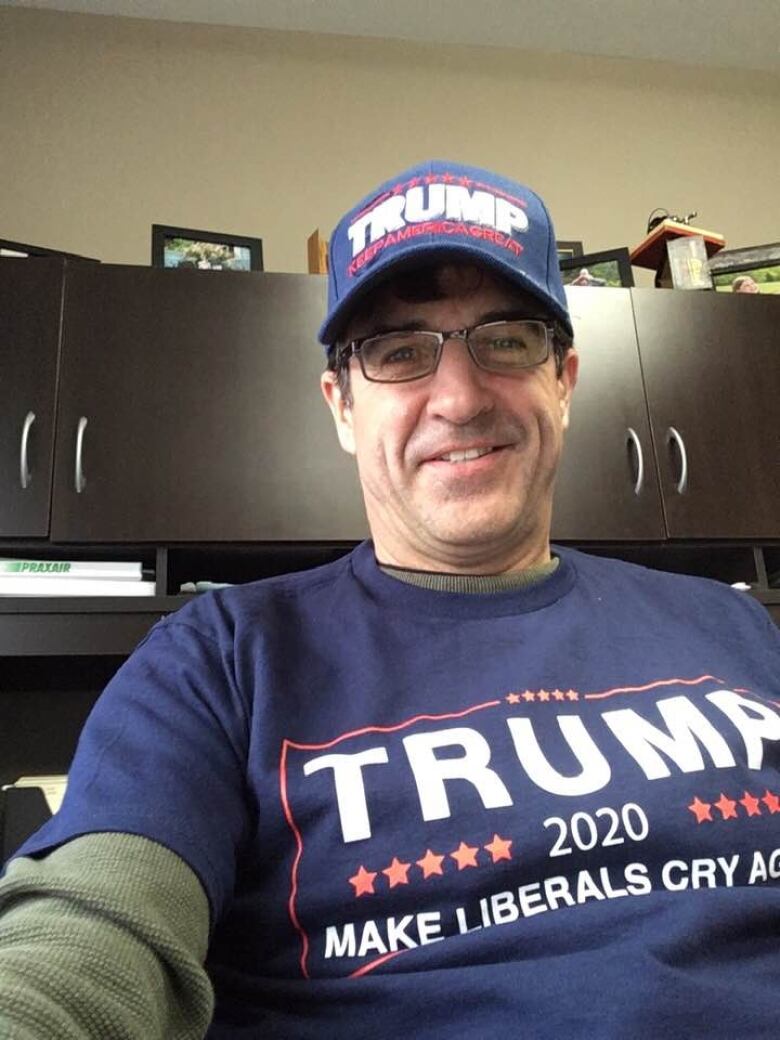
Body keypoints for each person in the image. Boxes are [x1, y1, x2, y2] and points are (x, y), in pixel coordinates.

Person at [1, 160, 779, 1039]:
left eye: (506, 339)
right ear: (341, 405)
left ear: (563, 379)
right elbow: (89, 933)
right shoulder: (219, 659)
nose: (457, 396)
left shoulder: (734, 626)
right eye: (399, 351)